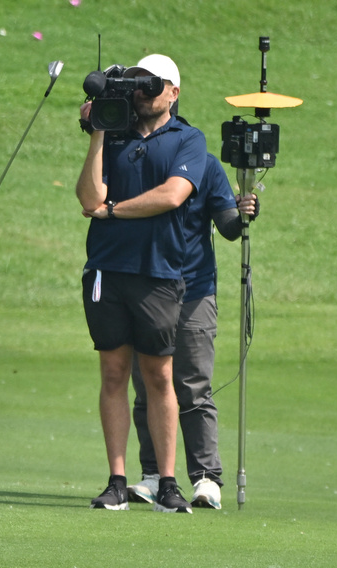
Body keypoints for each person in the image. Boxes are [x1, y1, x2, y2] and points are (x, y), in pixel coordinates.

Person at [75, 54, 207, 514]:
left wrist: (113, 210)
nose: (143, 92)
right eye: (136, 85)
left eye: (154, 85)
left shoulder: (188, 139)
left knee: (159, 375)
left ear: (174, 91)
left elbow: (172, 195)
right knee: (113, 373)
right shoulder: (113, 136)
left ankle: (168, 482)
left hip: (160, 272)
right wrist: (98, 131)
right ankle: (117, 479)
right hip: (107, 271)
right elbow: (89, 198)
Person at [127, 152, 259, 511]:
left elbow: (228, 227)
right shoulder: (133, 157)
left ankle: (206, 478)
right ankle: (153, 475)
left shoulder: (203, 162)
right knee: (147, 384)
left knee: (193, 385)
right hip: (144, 287)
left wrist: (243, 211)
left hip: (194, 289)